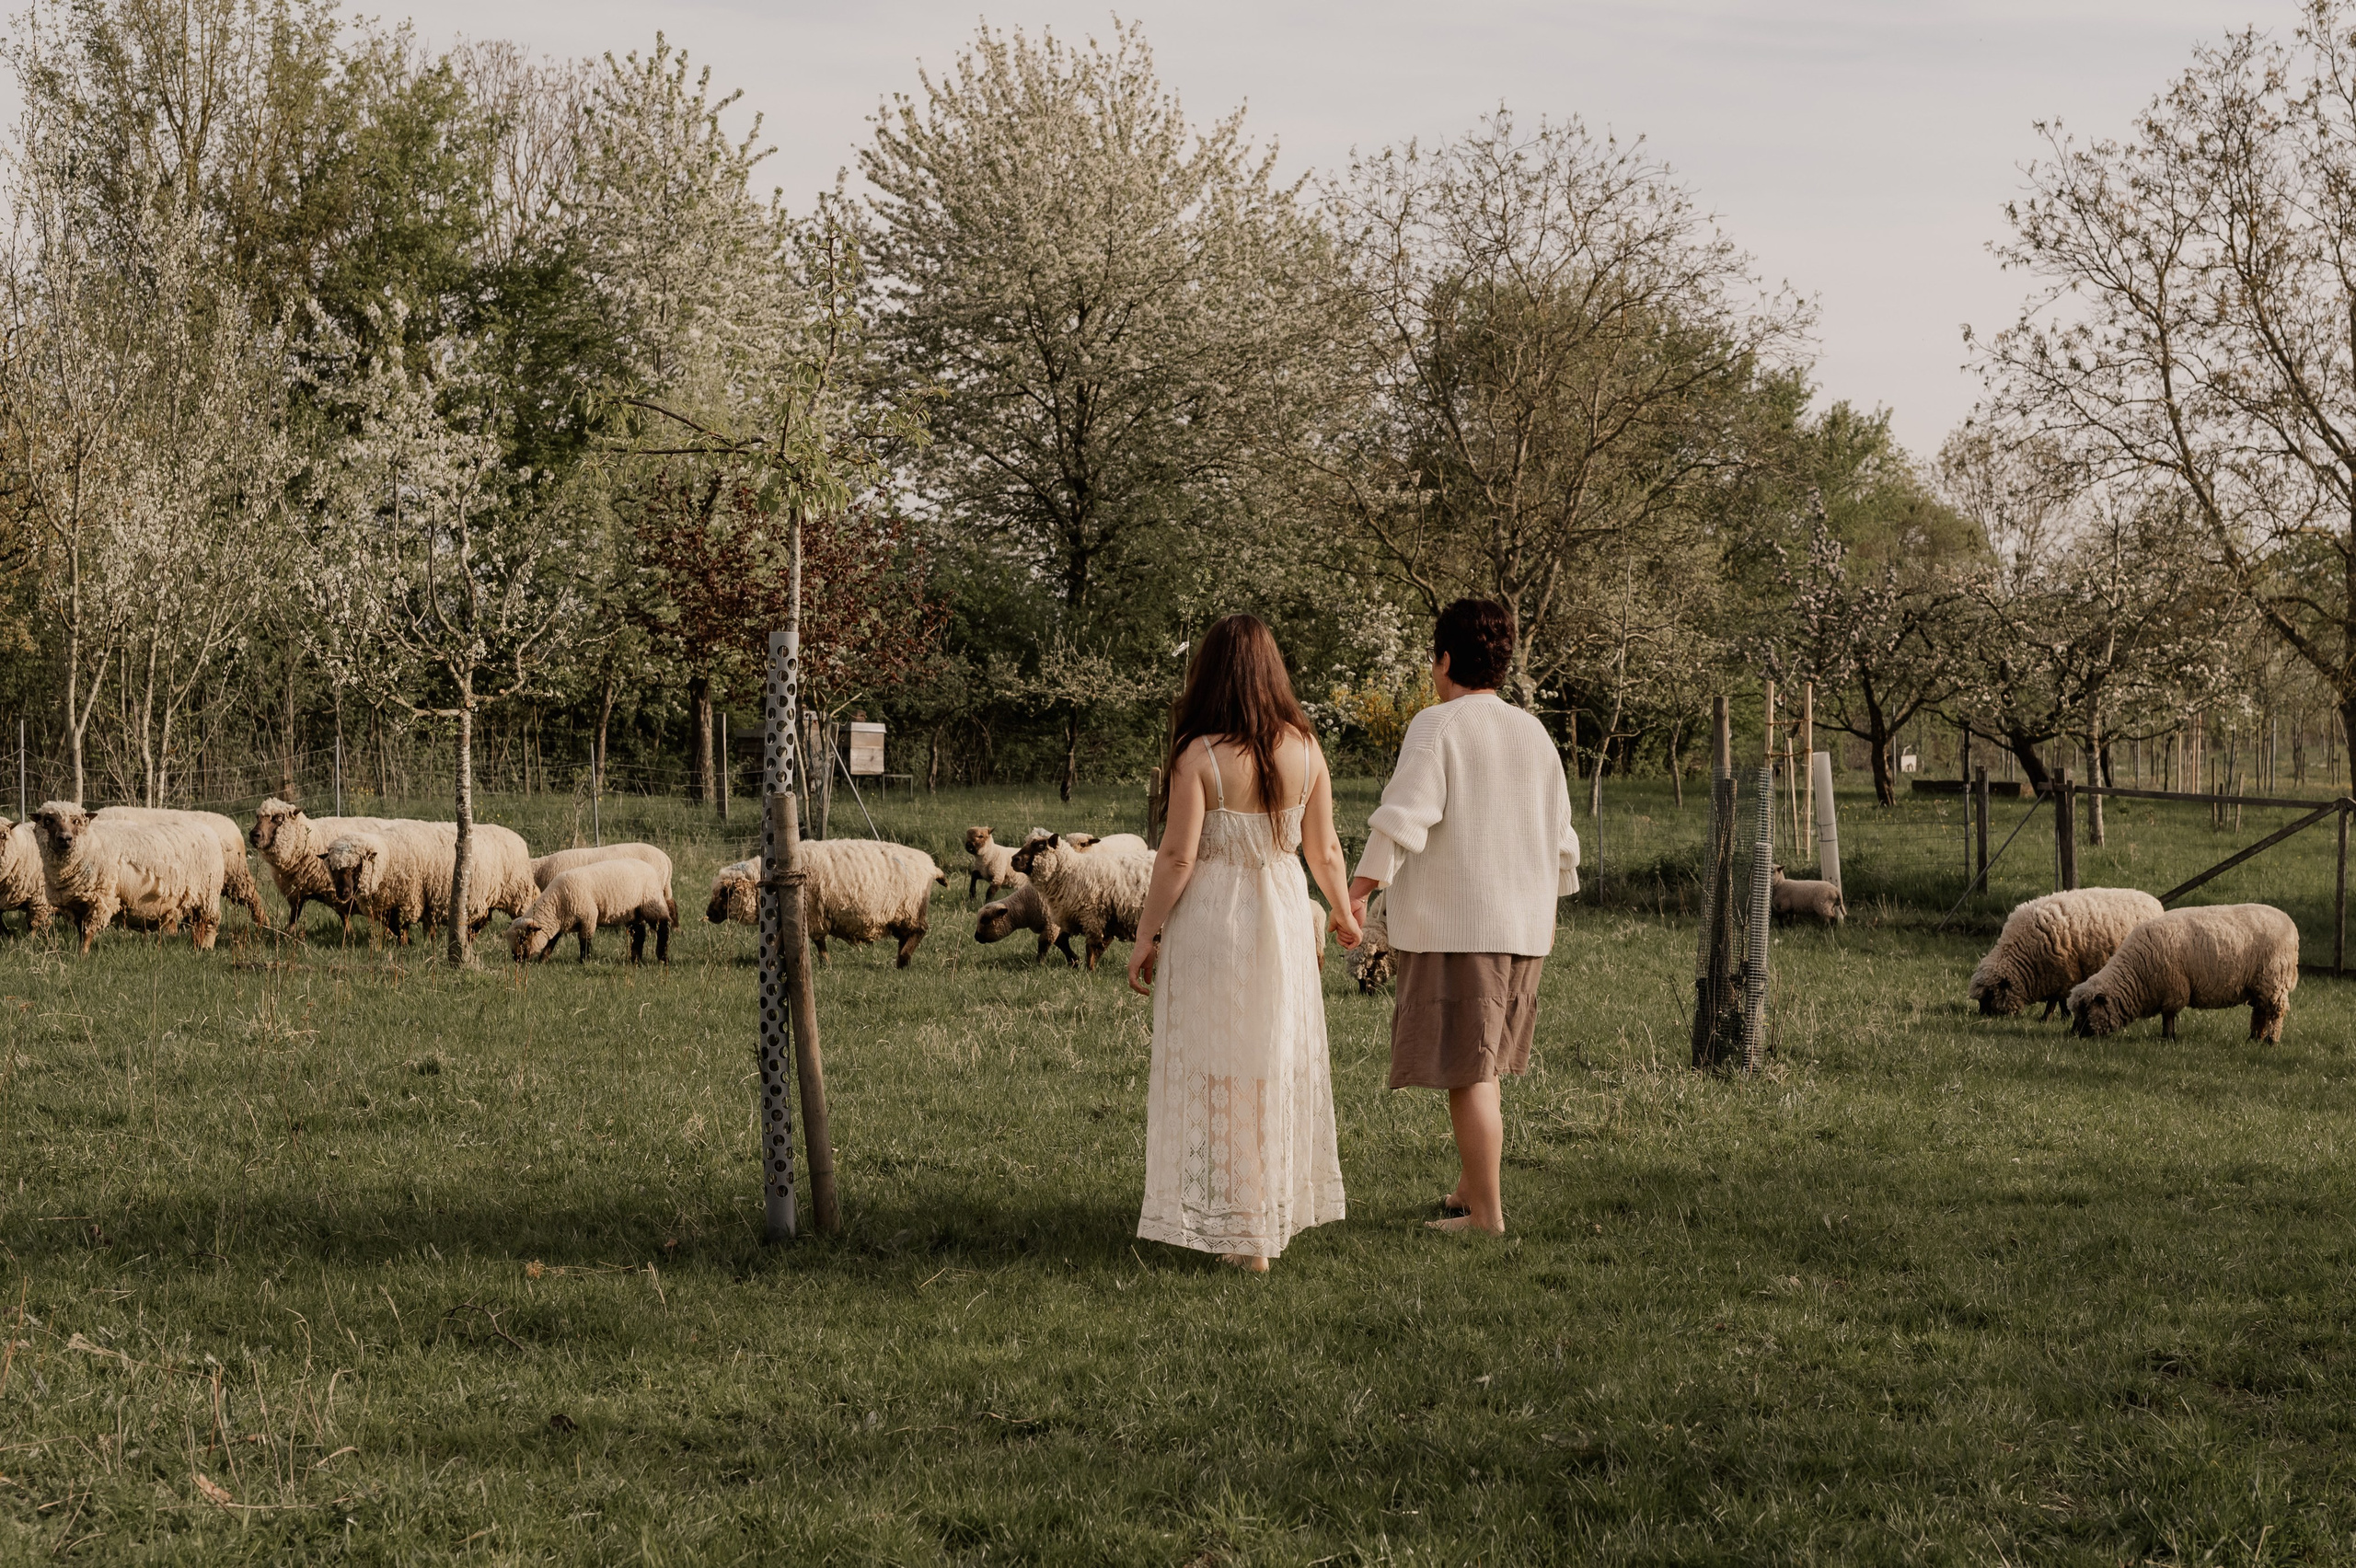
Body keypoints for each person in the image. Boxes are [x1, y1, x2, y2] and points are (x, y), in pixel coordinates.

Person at [1127, 614, 1359, 1273]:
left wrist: (1146, 936)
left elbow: (1176, 857)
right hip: (1283, 915)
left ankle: (1244, 1229)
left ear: (1210, 675)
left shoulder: (1198, 755)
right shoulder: (1308, 749)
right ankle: (1260, 1215)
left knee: (1222, 1065)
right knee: (1268, 1061)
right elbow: (1326, 848)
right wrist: (1342, 912)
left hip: (1215, 919)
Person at [1347, 598, 1578, 1237]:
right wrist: (1544, 916)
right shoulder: (1533, 733)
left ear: (1444, 659)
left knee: (1469, 1073)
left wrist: (1357, 892)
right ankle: (1468, 1188)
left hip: (1463, 930)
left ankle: (1486, 1216)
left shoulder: (1439, 725)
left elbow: (1402, 821)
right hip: (1524, 928)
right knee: (1485, 1065)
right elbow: (1564, 842)